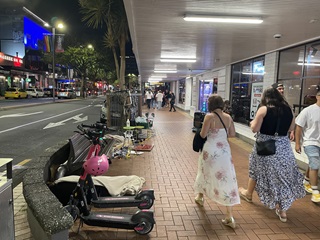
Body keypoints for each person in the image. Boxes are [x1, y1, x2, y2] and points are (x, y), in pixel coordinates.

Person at [239, 87, 305, 222]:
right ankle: (283, 211)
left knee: (257, 170)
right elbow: (291, 128)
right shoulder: (289, 110)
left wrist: (253, 122)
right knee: (283, 177)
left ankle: (249, 193)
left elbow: (254, 128)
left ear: (266, 97)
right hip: (284, 149)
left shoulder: (264, 109)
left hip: (265, 147)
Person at [194, 94, 240, 228]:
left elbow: (203, 134)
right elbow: (232, 134)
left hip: (210, 150)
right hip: (224, 151)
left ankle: (200, 197)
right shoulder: (228, 117)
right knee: (226, 178)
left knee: (204, 173)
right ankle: (229, 215)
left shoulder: (209, 117)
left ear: (211, 104)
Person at [295, 90, 320, 202]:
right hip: (310, 142)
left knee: (313, 162)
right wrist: (297, 143)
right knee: (315, 164)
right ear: (318, 97)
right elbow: (299, 126)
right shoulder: (308, 111)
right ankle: (315, 191)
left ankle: (306, 180)